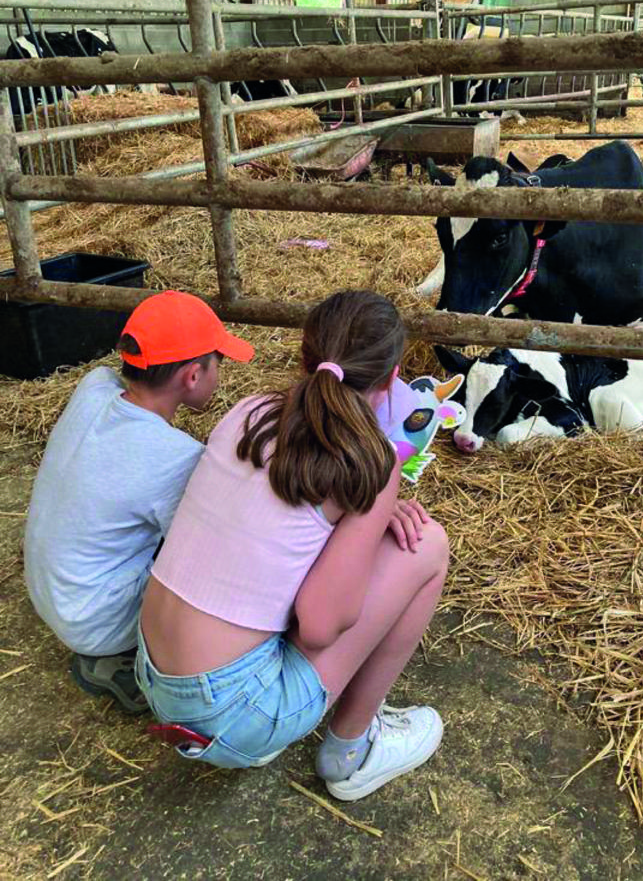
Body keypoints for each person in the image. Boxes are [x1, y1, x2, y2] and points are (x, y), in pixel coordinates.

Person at [136, 289, 450, 801]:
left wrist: (362, 517)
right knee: (427, 545)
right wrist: (369, 511)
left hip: (153, 674)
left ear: (305, 357)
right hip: (233, 712)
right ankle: (352, 751)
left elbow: (277, 522)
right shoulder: (373, 461)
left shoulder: (250, 410)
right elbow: (321, 624)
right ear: (393, 378)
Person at [24, 290, 256, 714]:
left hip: (53, 588)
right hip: (94, 618)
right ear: (192, 375)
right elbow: (208, 554)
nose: (219, 374)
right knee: (217, 565)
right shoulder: (176, 459)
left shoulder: (94, 385)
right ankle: (131, 662)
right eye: (217, 364)